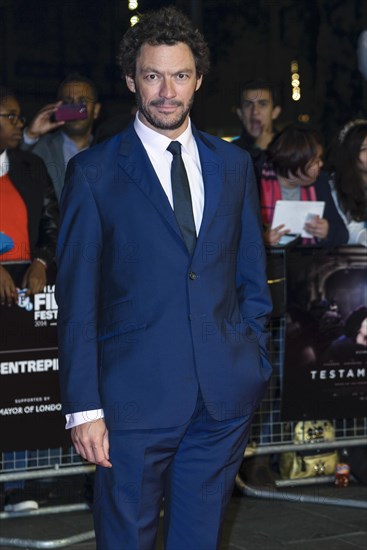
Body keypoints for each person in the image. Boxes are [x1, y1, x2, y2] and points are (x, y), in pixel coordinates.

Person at [56, 6, 272, 549]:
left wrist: (253, 359)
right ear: (132, 80)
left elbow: (250, 275)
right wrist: (84, 408)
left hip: (221, 398)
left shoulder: (233, 165)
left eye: (180, 75)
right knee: (126, 539)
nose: (167, 91)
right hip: (130, 402)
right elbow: (77, 298)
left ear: (198, 80)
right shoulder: (94, 172)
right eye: (153, 75)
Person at [0, 86, 58, 511]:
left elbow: (52, 227)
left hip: (20, 301)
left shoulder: (30, 166)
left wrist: (39, 261)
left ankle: (19, 484)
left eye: (20, 117)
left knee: (19, 386)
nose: (20, 124)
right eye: (11, 116)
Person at [259, 124, 349, 247]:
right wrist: (260, 239)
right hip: (266, 262)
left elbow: (343, 234)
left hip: (308, 261)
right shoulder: (255, 181)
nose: (321, 164)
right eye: (315, 161)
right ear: (295, 162)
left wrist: (328, 230)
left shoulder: (319, 183)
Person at [21, 73, 101, 201]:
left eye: (82, 101)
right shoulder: (41, 148)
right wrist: (31, 135)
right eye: (68, 102)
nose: (75, 107)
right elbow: (11, 168)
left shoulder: (108, 151)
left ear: (96, 110)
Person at [328, 119, 367, 247]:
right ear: (350, 153)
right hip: (352, 260)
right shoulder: (336, 187)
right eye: (364, 149)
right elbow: (344, 230)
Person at [232, 79, 281, 168]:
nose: (255, 111)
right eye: (248, 104)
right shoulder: (229, 152)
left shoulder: (289, 147)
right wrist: (257, 150)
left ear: (275, 112)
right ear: (240, 113)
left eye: (262, 104)